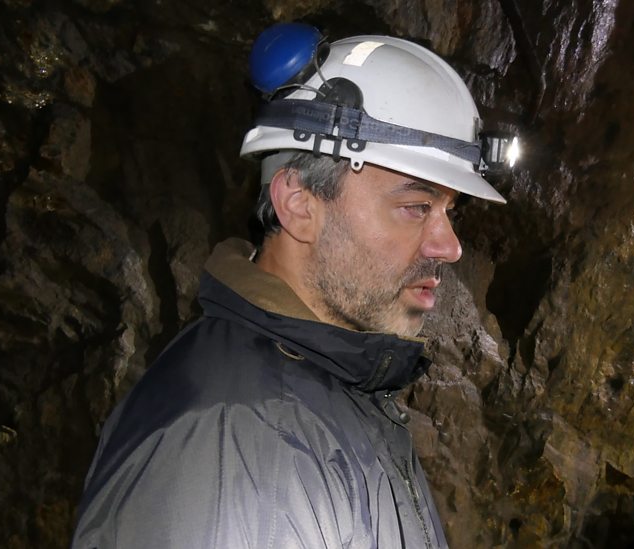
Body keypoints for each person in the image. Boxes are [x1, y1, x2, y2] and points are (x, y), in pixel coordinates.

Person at [71, 22, 507, 549]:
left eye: (447, 210)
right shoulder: (232, 445)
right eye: (416, 207)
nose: (450, 245)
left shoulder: (336, 389)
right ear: (299, 204)